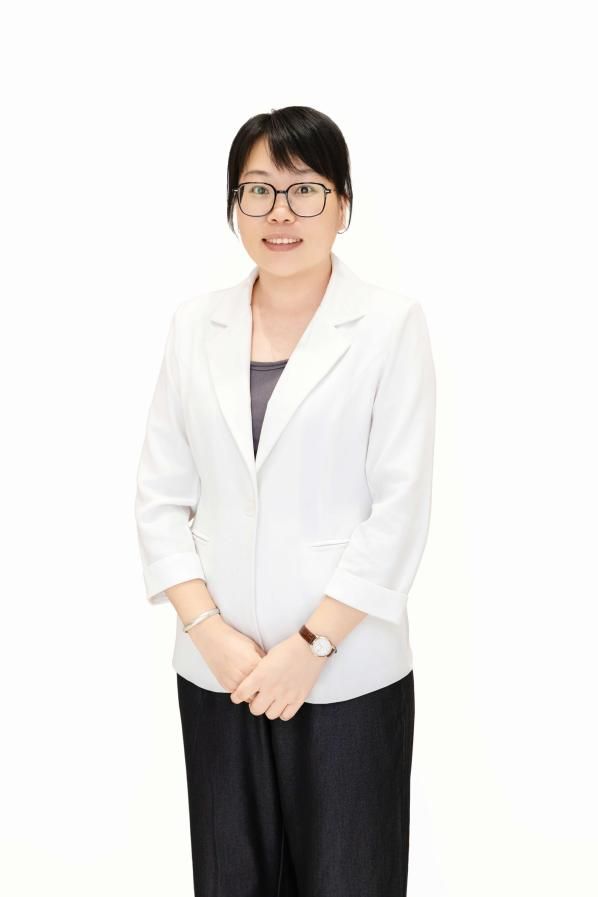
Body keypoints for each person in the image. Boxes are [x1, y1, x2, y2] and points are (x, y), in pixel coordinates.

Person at [134, 105, 436, 897]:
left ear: (342, 204)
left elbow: (399, 509)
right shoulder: (193, 327)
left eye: (305, 190)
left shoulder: (390, 327)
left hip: (347, 676)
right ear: (234, 204)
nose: (279, 212)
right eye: (258, 190)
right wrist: (210, 634)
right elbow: (159, 497)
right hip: (219, 674)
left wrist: (310, 646)